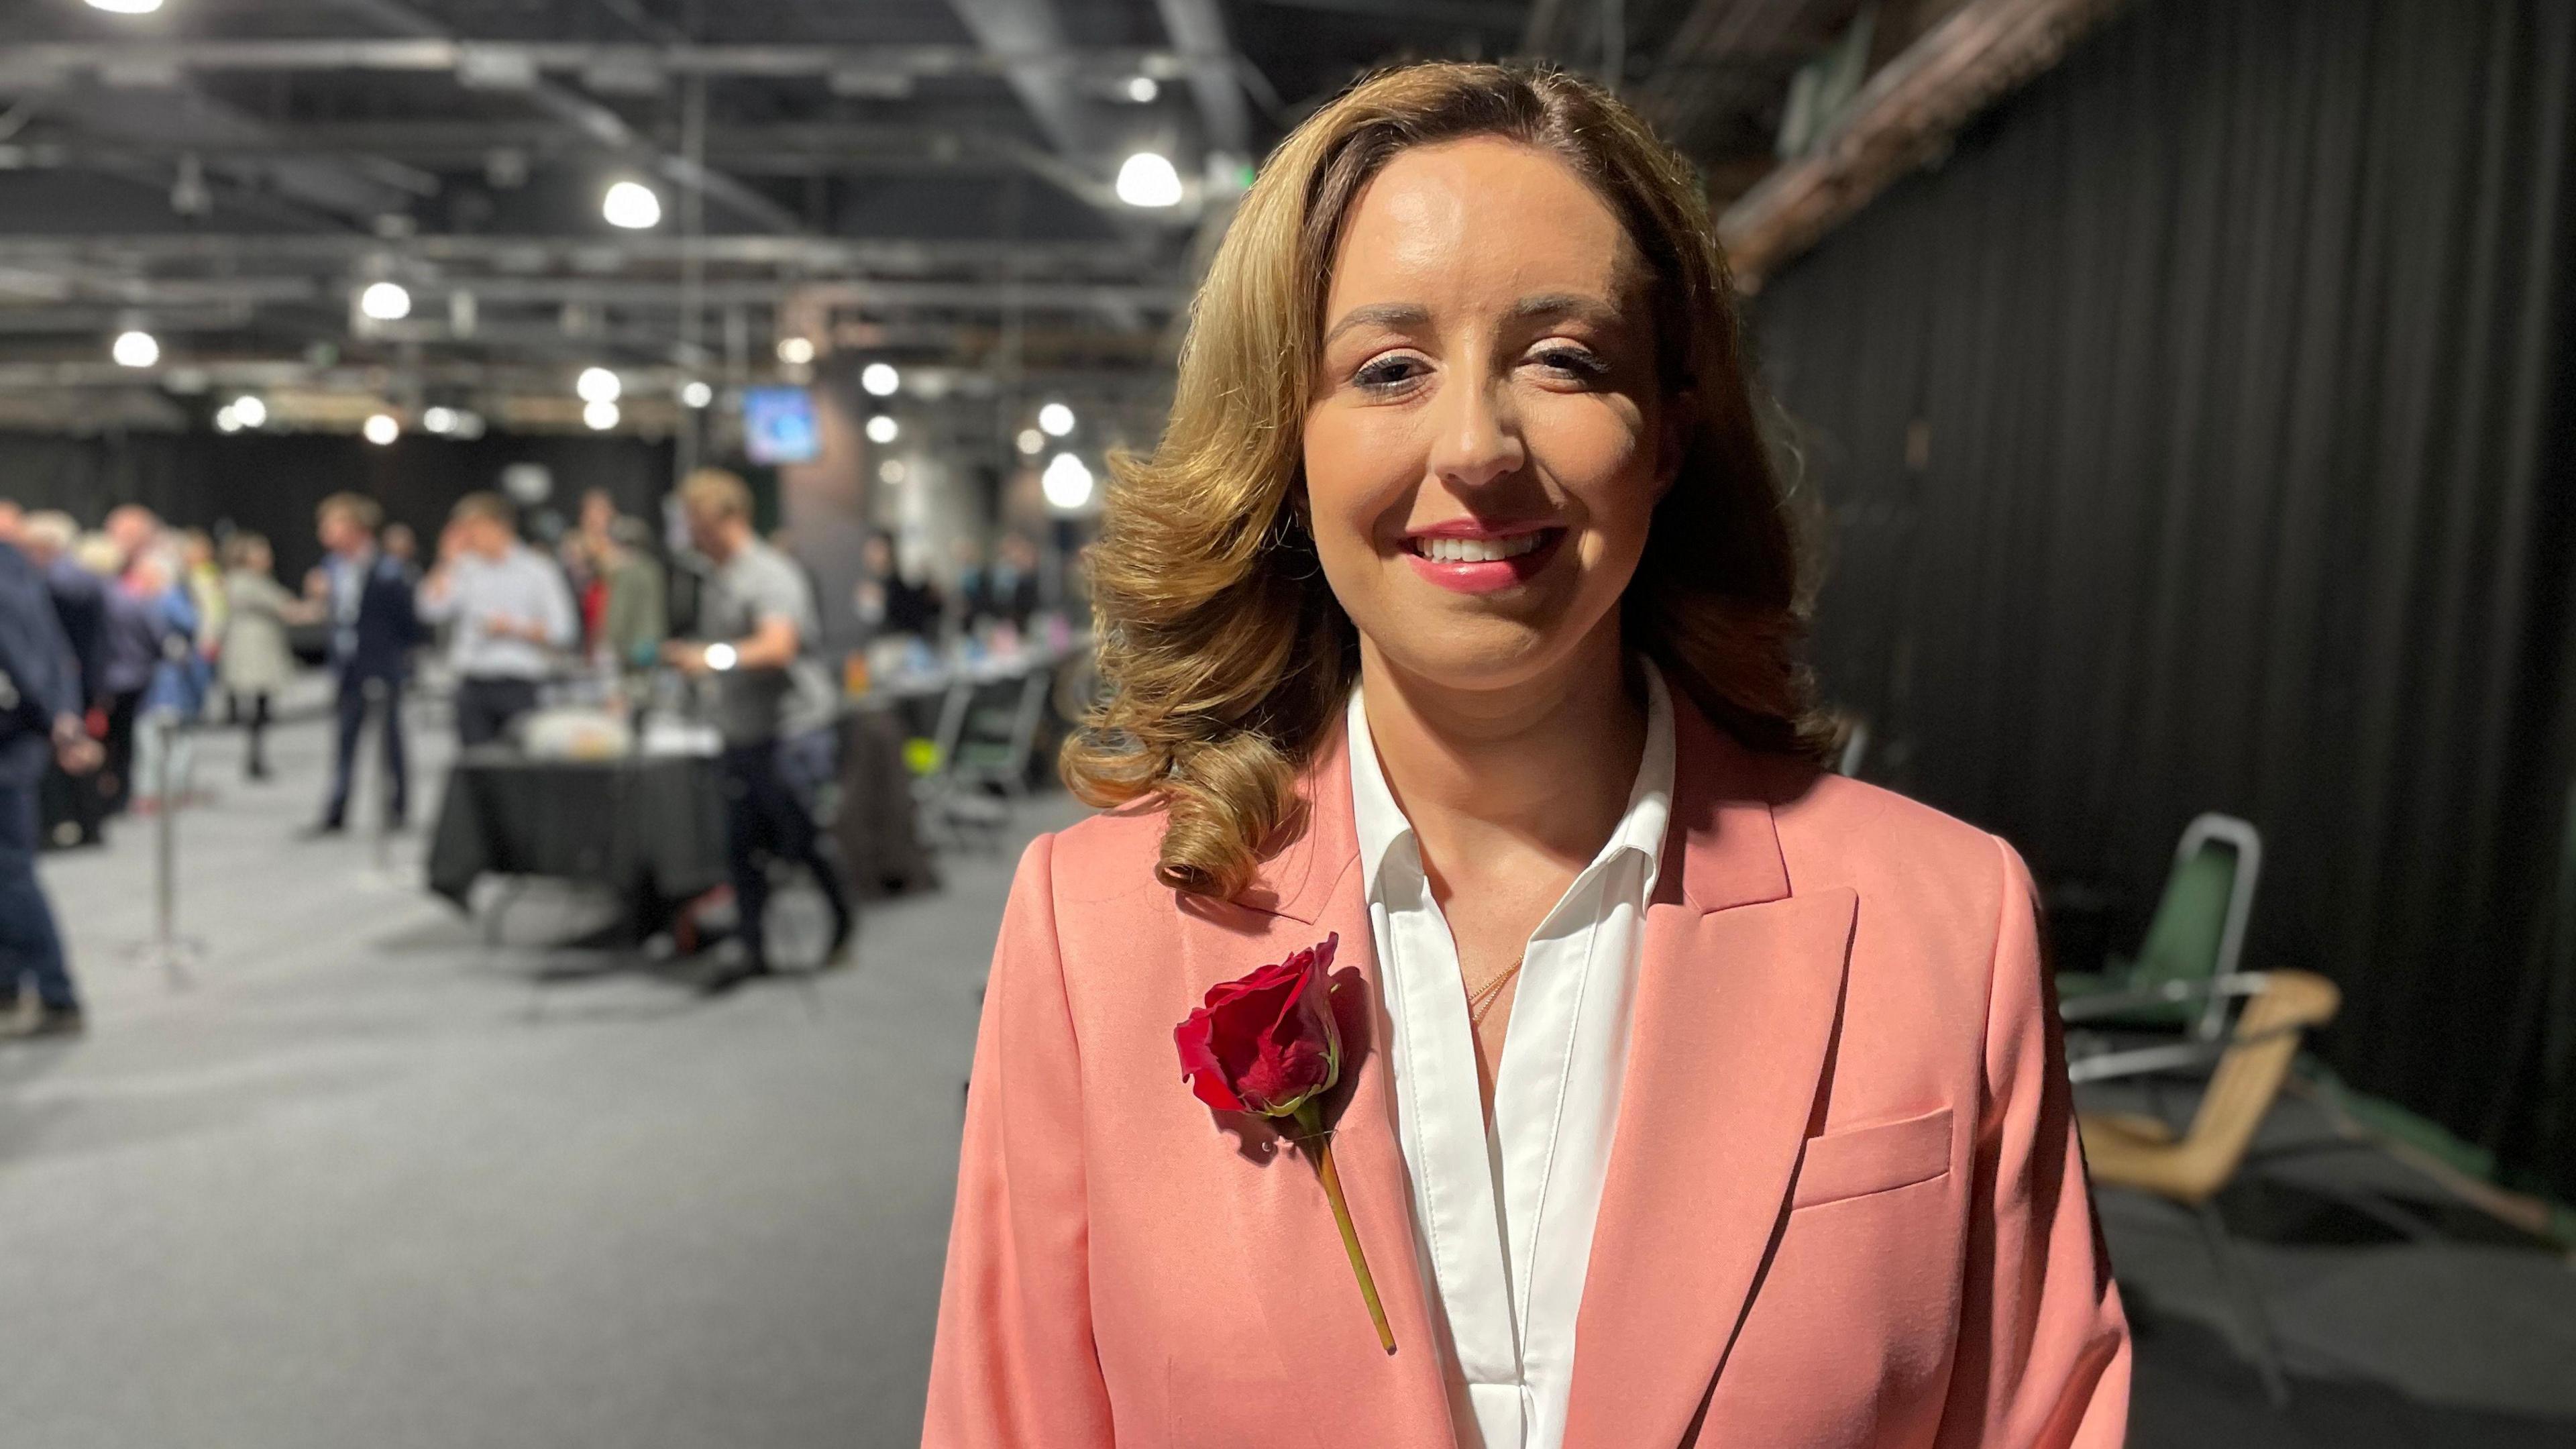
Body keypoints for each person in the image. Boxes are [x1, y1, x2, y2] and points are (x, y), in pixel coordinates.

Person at [923, 64, 2129, 1449]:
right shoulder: (1093, 931)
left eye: (1563, 358)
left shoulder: (1948, 919)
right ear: (1285, 441)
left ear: (1670, 429)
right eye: (1388, 370)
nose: (1479, 447)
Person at [663, 469, 853, 996]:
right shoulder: (717, 578)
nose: (692, 535)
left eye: (698, 523)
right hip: (741, 733)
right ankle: (752, 946)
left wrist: (712, 658)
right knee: (740, 848)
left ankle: (842, 922)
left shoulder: (770, 576)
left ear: (728, 518)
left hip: (790, 734)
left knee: (802, 842)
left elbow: (777, 647)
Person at [0, 522, 101, 1039]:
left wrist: (58, 723)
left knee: (11, 875)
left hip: (9, 747)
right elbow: (53, 653)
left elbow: (23, 656)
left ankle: (57, 995)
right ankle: (11, 987)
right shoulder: (17, 566)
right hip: (21, 741)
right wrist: (61, 717)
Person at [416, 492, 576, 748]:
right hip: (472, 685)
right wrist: (446, 560)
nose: (468, 537)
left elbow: (563, 631)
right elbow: (429, 609)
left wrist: (513, 628)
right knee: (475, 772)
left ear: (499, 527)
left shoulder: (538, 570)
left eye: (473, 529)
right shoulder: (463, 569)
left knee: (519, 773)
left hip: (519, 686)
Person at [307, 492, 420, 835]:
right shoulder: (331, 569)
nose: (325, 533)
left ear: (355, 528)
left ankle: (398, 809)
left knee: (390, 742)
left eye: (332, 525)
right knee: (344, 742)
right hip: (347, 667)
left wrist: (400, 662)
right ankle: (336, 812)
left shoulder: (388, 570)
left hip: (382, 666)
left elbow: (408, 623)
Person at [17, 513, 107, 846]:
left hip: (70, 676)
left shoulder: (60, 582)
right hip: (79, 674)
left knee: (69, 751)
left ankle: (74, 824)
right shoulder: (75, 577)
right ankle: (86, 823)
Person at [220, 533, 295, 782]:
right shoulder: (243, 581)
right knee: (256, 708)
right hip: (253, 650)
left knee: (261, 707)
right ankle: (254, 759)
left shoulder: (257, 580)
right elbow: (285, 607)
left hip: (260, 648)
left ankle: (256, 757)